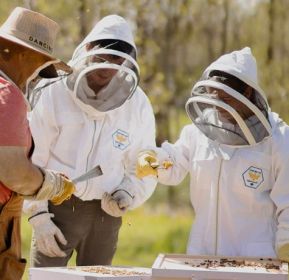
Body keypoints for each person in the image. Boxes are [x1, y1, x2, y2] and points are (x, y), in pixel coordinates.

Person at [23, 14, 157, 267]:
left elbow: (148, 159)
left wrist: (129, 191)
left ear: (127, 62)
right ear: (87, 50)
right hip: (56, 206)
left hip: (106, 212)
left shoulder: (138, 103)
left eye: (116, 60)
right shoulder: (54, 92)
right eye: (101, 58)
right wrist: (38, 215)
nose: (106, 67)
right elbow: (32, 155)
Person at [136, 47, 289, 262]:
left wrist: (286, 246)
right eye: (215, 98)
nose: (219, 107)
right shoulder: (198, 133)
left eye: (226, 99)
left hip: (256, 261)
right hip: (202, 255)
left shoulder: (279, 139)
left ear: (246, 92)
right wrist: (153, 161)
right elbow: (175, 166)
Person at [0, 6, 76, 280]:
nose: (37, 74)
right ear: (21, 53)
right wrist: (49, 184)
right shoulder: (7, 94)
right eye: (39, 65)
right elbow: (12, 170)